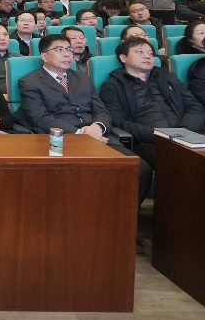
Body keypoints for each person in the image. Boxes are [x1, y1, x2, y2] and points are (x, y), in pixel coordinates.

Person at [18, 34, 152, 203]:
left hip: (99, 137)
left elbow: (101, 110)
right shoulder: (30, 82)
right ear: (44, 55)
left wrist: (98, 127)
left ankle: (124, 217)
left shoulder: (82, 78)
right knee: (84, 176)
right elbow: (40, 118)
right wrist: (81, 134)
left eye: (69, 50)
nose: (67, 54)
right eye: (60, 50)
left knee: (141, 170)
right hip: (61, 141)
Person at [100, 36, 205, 167]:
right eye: (140, 52)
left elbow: (195, 107)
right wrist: (160, 136)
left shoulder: (167, 77)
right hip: (149, 142)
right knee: (181, 160)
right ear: (123, 58)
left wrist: (184, 131)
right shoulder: (113, 85)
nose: (147, 56)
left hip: (187, 135)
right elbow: (118, 121)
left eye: (150, 53)